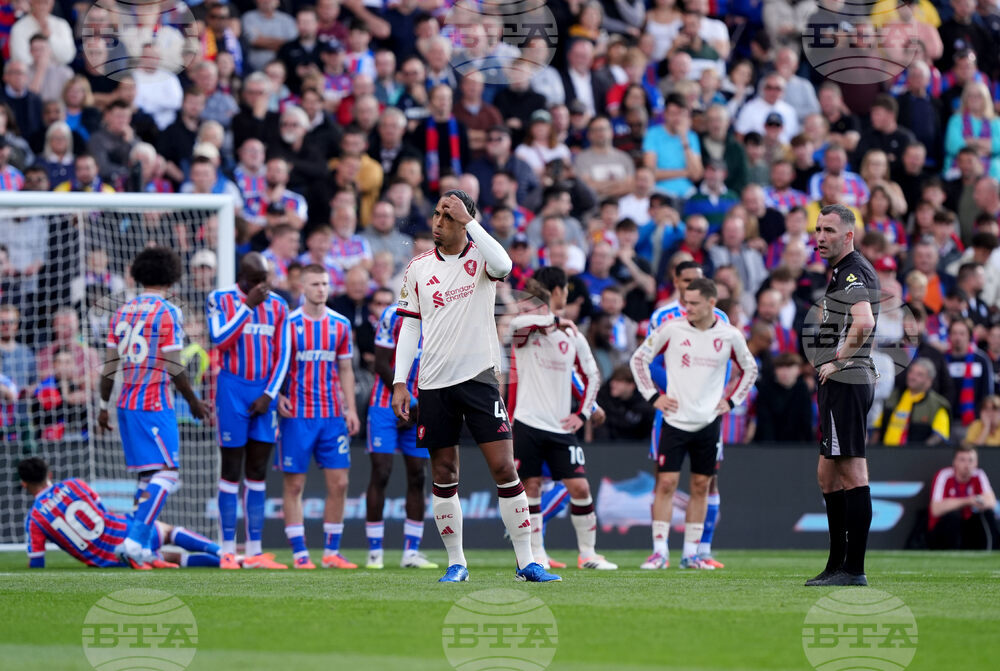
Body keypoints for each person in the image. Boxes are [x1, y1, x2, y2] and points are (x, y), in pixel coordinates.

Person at [391, 190, 560, 583]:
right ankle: (457, 563)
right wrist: (400, 381)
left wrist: (470, 222)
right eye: (437, 214)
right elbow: (410, 327)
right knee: (444, 472)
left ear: (465, 221)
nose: (438, 222)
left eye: (448, 216)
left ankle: (526, 561)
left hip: (480, 378)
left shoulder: (482, 256)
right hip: (434, 382)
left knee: (504, 466)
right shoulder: (418, 268)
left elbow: (505, 265)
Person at [630, 278, 757, 571]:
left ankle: (691, 554)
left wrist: (732, 401)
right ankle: (659, 552)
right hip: (674, 419)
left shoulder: (729, 335)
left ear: (711, 303)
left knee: (701, 485)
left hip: (708, 422)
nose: (687, 308)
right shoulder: (671, 329)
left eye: (694, 303)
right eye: (686, 302)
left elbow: (750, 369)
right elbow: (638, 359)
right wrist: (653, 397)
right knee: (666, 483)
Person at [97, 248, 210, 568]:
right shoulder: (168, 311)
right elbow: (174, 365)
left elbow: (109, 368)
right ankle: (133, 540)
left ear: (139, 275)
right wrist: (193, 401)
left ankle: (143, 547)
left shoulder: (121, 312)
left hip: (125, 404)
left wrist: (103, 407)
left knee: (147, 477)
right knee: (167, 474)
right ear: (172, 276)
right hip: (153, 402)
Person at [508, 273, 616, 571]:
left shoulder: (572, 336)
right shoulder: (526, 333)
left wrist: (582, 414)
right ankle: (537, 554)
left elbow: (592, 376)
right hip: (527, 422)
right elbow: (514, 326)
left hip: (561, 428)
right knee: (530, 487)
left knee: (579, 488)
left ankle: (588, 554)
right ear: (558, 292)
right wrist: (554, 321)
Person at [804, 203, 880, 587]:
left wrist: (839, 359)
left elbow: (864, 321)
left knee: (852, 471)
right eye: (818, 229)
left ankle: (853, 569)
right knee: (828, 475)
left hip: (847, 380)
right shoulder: (841, 270)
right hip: (841, 382)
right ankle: (836, 565)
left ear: (848, 235)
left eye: (829, 230)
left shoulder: (852, 270)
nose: (820, 237)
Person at [207, 252, 291, 570]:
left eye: (264, 280)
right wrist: (247, 307)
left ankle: (255, 550)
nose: (261, 286)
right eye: (256, 281)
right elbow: (220, 341)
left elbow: (283, 354)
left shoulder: (279, 305)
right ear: (242, 278)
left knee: (257, 470)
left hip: (263, 391)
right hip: (232, 388)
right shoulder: (220, 299)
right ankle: (228, 550)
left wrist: (270, 394)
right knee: (231, 469)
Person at [276, 265, 359, 570]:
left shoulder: (340, 324)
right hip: (297, 416)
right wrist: (278, 395)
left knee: (340, 483)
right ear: (302, 287)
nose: (321, 289)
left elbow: (346, 369)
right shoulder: (288, 323)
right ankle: (300, 553)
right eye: (314, 284)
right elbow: (275, 365)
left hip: (332, 416)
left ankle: (331, 553)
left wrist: (351, 408)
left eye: (324, 283)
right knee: (294, 485)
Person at [18, 457, 237, 569]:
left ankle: (224, 562)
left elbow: (37, 563)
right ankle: (225, 555)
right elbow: (102, 511)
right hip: (126, 532)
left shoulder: (35, 518)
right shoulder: (74, 484)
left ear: (24, 484)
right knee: (169, 532)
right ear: (49, 474)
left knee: (175, 558)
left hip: (110, 559)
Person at [365, 298, 436, 570]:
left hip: (422, 408)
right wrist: (409, 402)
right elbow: (381, 364)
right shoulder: (392, 314)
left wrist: (421, 407)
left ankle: (411, 553)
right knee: (381, 472)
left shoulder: (442, 315)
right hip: (385, 404)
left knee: (418, 476)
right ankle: (375, 553)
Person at [928, 446, 999, 550]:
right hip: (943, 532)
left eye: (970, 460)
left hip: (969, 529)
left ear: (976, 463)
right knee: (953, 516)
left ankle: (992, 551)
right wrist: (968, 501)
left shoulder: (979, 474)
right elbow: (935, 509)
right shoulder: (944, 475)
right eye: (962, 460)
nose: (967, 465)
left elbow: (992, 503)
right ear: (954, 462)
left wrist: (979, 501)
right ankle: (950, 554)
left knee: (987, 513)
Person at [875, 358, 952, 446]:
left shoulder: (937, 405)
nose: (912, 377)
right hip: (885, 452)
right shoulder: (893, 396)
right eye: (911, 372)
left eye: (919, 374)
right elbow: (877, 429)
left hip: (914, 454)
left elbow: (939, 437)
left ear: (929, 381)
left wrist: (919, 452)